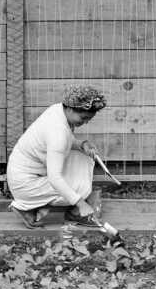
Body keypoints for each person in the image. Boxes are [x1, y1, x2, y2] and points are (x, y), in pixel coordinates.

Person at [6, 85, 107, 228]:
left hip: (24, 173)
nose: (85, 122)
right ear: (71, 109)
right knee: (80, 189)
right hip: (26, 184)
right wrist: (81, 203)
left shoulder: (58, 110)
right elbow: (55, 178)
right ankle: (26, 206)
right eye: (83, 118)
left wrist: (81, 144)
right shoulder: (57, 132)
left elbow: (64, 139)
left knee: (84, 157)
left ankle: (39, 205)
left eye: (89, 119)